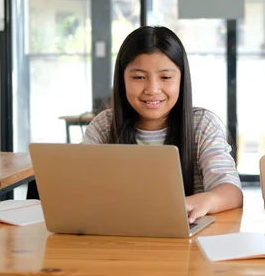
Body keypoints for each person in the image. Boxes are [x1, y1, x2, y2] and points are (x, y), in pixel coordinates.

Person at [84, 26, 243, 222]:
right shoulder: (103, 126)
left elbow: (231, 192)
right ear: (122, 79)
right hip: (118, 240)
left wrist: (202, 201)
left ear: (181, 80)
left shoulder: (201, 125)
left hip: (189, 242)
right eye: (139, 77)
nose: (152, 89)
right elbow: (81, 190)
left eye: (166, 77)